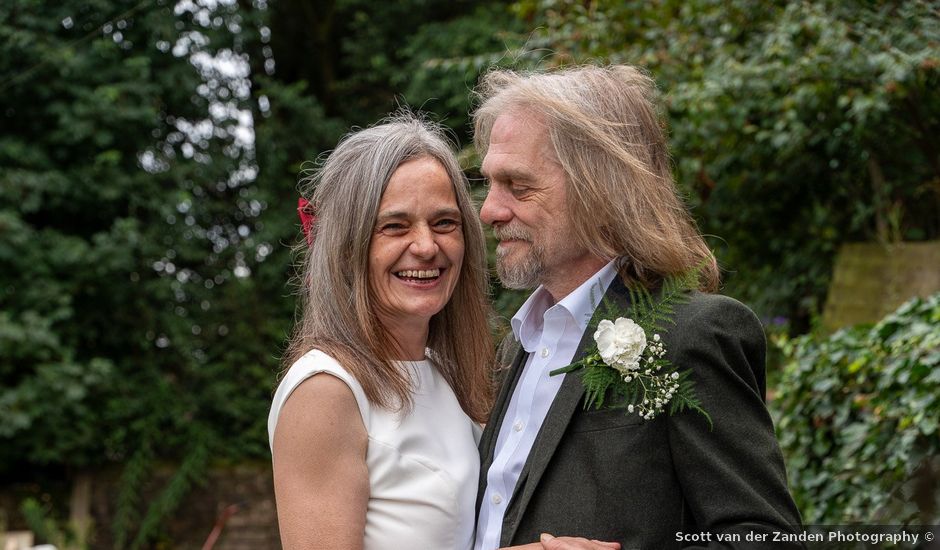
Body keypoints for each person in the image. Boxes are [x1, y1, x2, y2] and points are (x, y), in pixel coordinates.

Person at [472, 65, 804, 549]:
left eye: (518, 186)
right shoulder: (515, 348)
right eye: (490, 183)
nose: (489, 210)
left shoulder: (693, 334)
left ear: (601, 187)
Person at [268, 113, 494, 549]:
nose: (427, 247)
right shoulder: (325, 391)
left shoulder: (451, 372)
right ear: (347, 246)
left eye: (444, 223)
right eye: (395, 226)